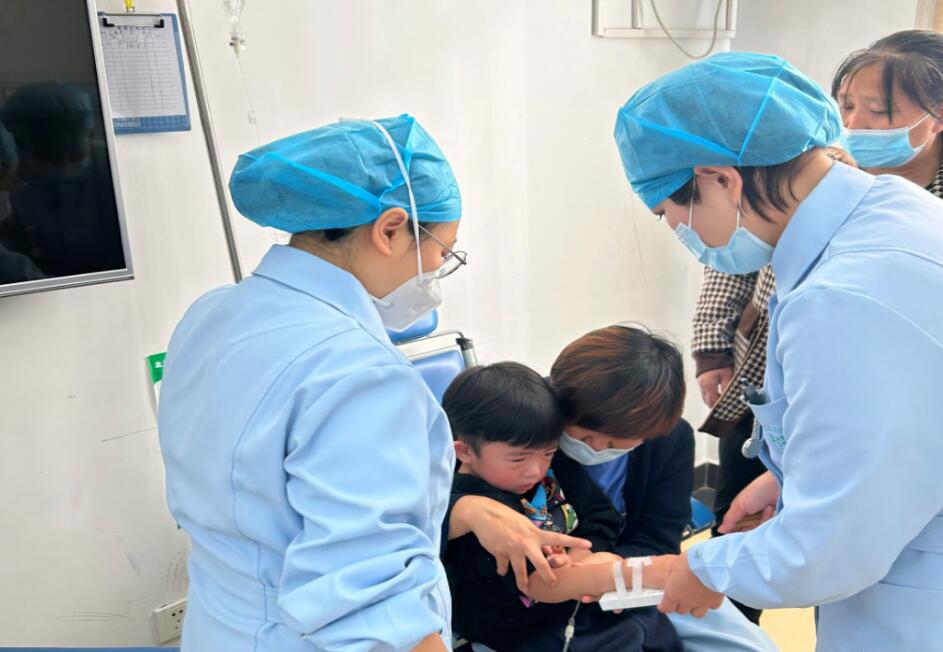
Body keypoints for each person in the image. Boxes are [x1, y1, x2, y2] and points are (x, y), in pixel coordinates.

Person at [613, 51, 943, 651]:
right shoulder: (896, 213)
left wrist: (705, 568)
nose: (683, 234)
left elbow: (832, 546)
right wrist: (788, 475)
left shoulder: (844, 299)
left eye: (670, 214)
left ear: (721, 180)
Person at [159, 115, 468, 651]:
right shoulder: (360, 373)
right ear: (390, 230)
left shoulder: (212, 313)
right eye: (443, 252)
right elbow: (369, 603)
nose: (436, 273)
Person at [448, 326, 778, 652]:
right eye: (583, 436)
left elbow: (641, 534)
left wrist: (603, 560)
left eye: (614, 444)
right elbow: (536, 581)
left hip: (620, 583)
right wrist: (465, 510)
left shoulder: (665, 440)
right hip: (536, 613)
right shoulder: (527, 428)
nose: (595, 448)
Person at [443, 361, 682, 651]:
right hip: (524, 629)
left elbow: (601, 517)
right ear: (465, 451)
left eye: (549, 452)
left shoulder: (553, 466)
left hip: (577, 600)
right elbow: (536, 584)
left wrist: (586, 553)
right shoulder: (465, 506)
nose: (535, 470)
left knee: (654, 629)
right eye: (519, 459)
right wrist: (628, 573)